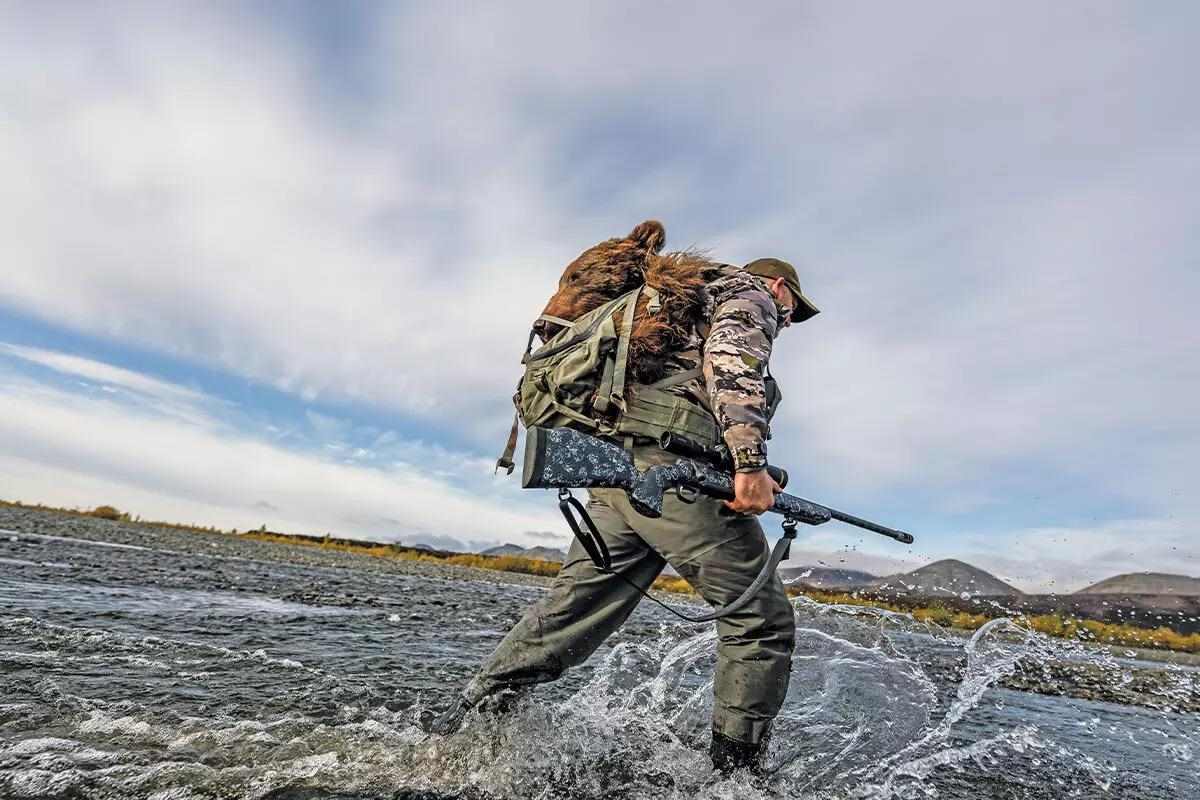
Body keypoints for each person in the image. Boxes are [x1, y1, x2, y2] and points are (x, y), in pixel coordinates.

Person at [432, 257, 820, 773]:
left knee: (571, 613)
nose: (788, 320)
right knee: (760, 621)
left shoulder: (679, 304)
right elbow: (731, 364)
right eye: (793, 309)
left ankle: (462, 727)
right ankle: (737, 779)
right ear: (779, 286)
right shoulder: (752, 295)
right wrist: (750, 464)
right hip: (673, 478)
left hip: (617, 478)